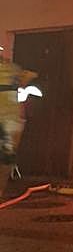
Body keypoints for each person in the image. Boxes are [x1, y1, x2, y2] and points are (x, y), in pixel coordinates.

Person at [0, 51, 38, 195]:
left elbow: (29, 76)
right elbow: (30, 75)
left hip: (12, 120)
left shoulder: (13, 70)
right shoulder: (13, 70)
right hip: (13, 121)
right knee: (6, 158)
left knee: (6, 158)